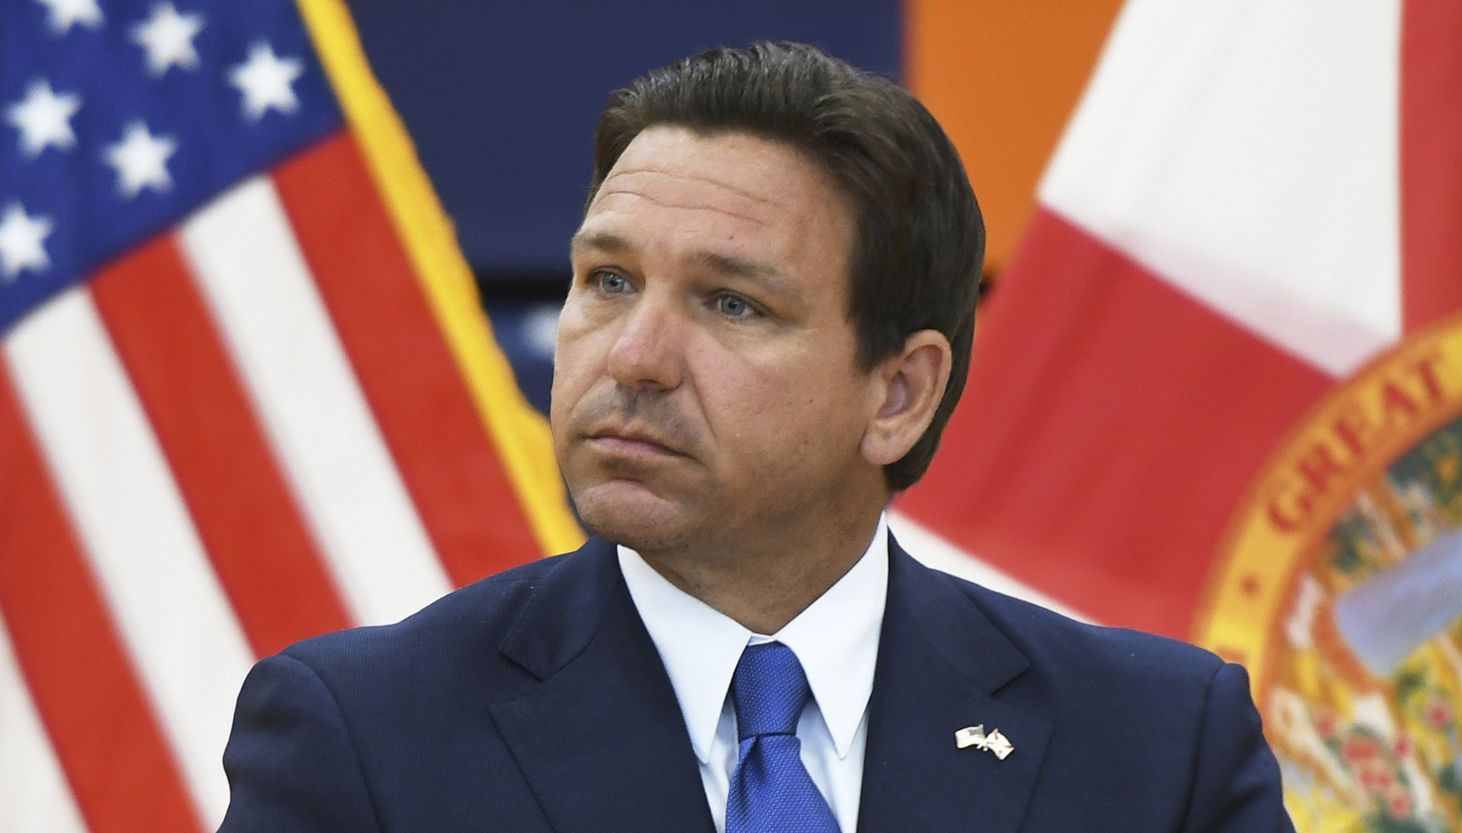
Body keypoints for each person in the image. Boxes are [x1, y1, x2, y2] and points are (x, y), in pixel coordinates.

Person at [217, 41, 1294, 833]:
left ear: (899, 394)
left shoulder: (1159, 749)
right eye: (608, 280)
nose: (631, 355)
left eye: (731, 304)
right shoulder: (361, 740)